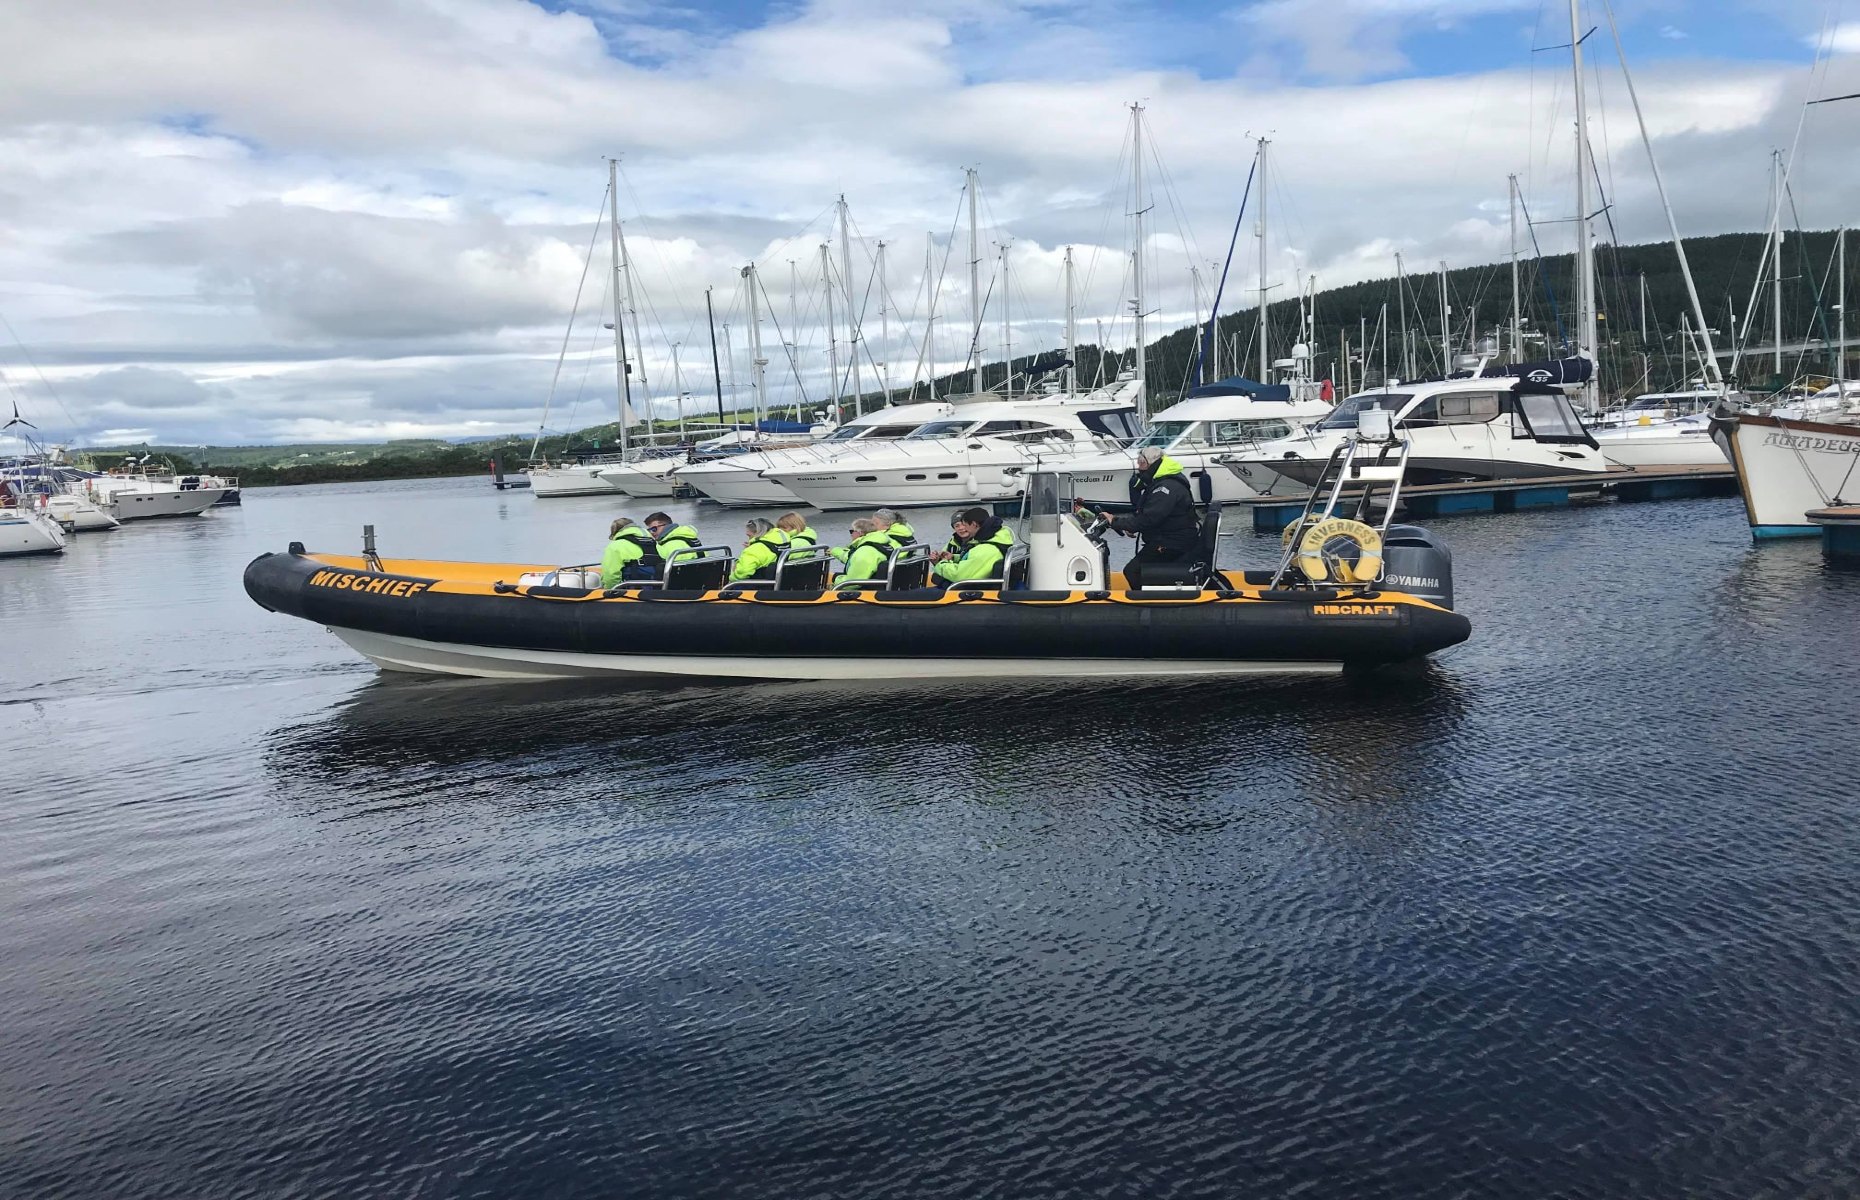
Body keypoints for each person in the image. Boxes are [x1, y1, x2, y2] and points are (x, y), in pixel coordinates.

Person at [1092, 447, 1199, 588]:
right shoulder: (1162, 483)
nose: (1138, 466)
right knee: (1137, 568)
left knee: (1133, 571)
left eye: (1141, 462)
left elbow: (1149, 518)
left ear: (1151, 464)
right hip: (1171, 539)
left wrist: (1115, 521)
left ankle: (1150, 605)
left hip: (1172, 543)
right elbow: (1151, 515)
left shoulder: (1165, 488)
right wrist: (1129, 525)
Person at [931, 507, 1014, 586]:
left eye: (965, 525)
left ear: (974, 525)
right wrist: (953, 557)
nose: (964, 529)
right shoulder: (997, 541)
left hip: (971, 591)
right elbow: (974, 562)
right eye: (957, 526)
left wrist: (940, 563)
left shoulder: (985, 549)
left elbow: (959, 575)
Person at [599, 517, 658, 585]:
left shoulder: (615, 546)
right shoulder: (653, 542)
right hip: (658, 587)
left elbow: (610, 575)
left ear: (614, 532)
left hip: (633, 590)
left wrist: (610, 590)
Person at [730, 517, 790, 582]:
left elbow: (742, 573)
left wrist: (731, 579)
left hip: (757, 586)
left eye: (749, 536)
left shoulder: (754, 550)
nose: (748, 539)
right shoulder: (786, 543)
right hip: (781, 583)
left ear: (758, 533)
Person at [837, 516, 893, 585]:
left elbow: (852, 584)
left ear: (860, 532)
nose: (851, 534)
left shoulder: (865, 551)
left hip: (865, 591)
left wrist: (835, 580)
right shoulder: (882, 545)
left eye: (852, 531)